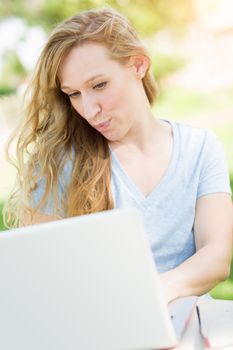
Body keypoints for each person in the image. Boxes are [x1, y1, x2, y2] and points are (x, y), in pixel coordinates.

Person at [4, 7, 233, 303]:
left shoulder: (199, 148)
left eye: (99, 85)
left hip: (189, 329)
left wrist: (151, 296)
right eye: (73, 94)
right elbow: (41, 274)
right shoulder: (61, 163)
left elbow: (216, 257)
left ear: (138, 65)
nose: (88, 109)